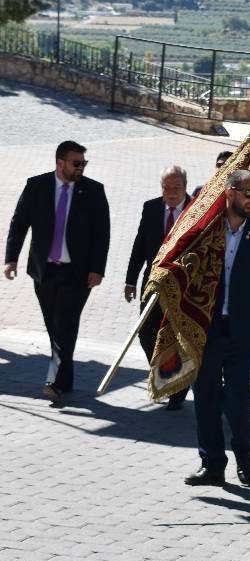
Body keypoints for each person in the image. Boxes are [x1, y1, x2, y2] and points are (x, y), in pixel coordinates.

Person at [186, 170, 250, 487]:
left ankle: (242, 453)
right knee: (206, 395)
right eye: (248, 193)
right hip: (208, 328)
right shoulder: (207, 230)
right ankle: (211, 463)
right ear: (230, 193)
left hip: (243, 331)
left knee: (238, 398)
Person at [4, 141, 111, 401]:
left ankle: (54, 382)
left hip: (78, 273)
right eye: (76, 163)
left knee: (65, 325)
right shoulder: (37, 186)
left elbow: (102, 233)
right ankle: (67, 379)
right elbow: (19, 223)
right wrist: (11, 259)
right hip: (44, 271)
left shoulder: (94, 191)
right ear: (60, 162)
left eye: (84, 163)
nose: (81, 168)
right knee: (54, 327)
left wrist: (98, 269)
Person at [125, 165, 190, 410]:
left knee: (176, 335)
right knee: (146, 333)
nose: (171, 193)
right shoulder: (151, 208)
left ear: (185, 186)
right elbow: (140, 245)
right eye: (166, 187)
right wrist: (131, 280)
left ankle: (178, 388)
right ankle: (166, 373)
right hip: (152, 285)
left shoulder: (197, 210)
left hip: (183, 289)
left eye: (177, 188)